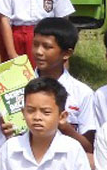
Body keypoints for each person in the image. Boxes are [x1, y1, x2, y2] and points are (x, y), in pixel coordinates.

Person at [30, 17, 95, 151]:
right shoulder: (19, 85)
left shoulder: (82, 93)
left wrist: (64, 127)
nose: (38, 52)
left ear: (67, 53)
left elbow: (89, 148)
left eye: (47, 47)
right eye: (35, 44)